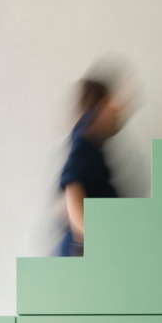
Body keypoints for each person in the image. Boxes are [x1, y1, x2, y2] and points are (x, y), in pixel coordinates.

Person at [56, 75, 127, 256]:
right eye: (110, 103)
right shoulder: (85, 141)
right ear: (98, 108)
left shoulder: (91, 145)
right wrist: (91, 240)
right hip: (84, 258)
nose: (118, 111)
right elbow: (72, 191)